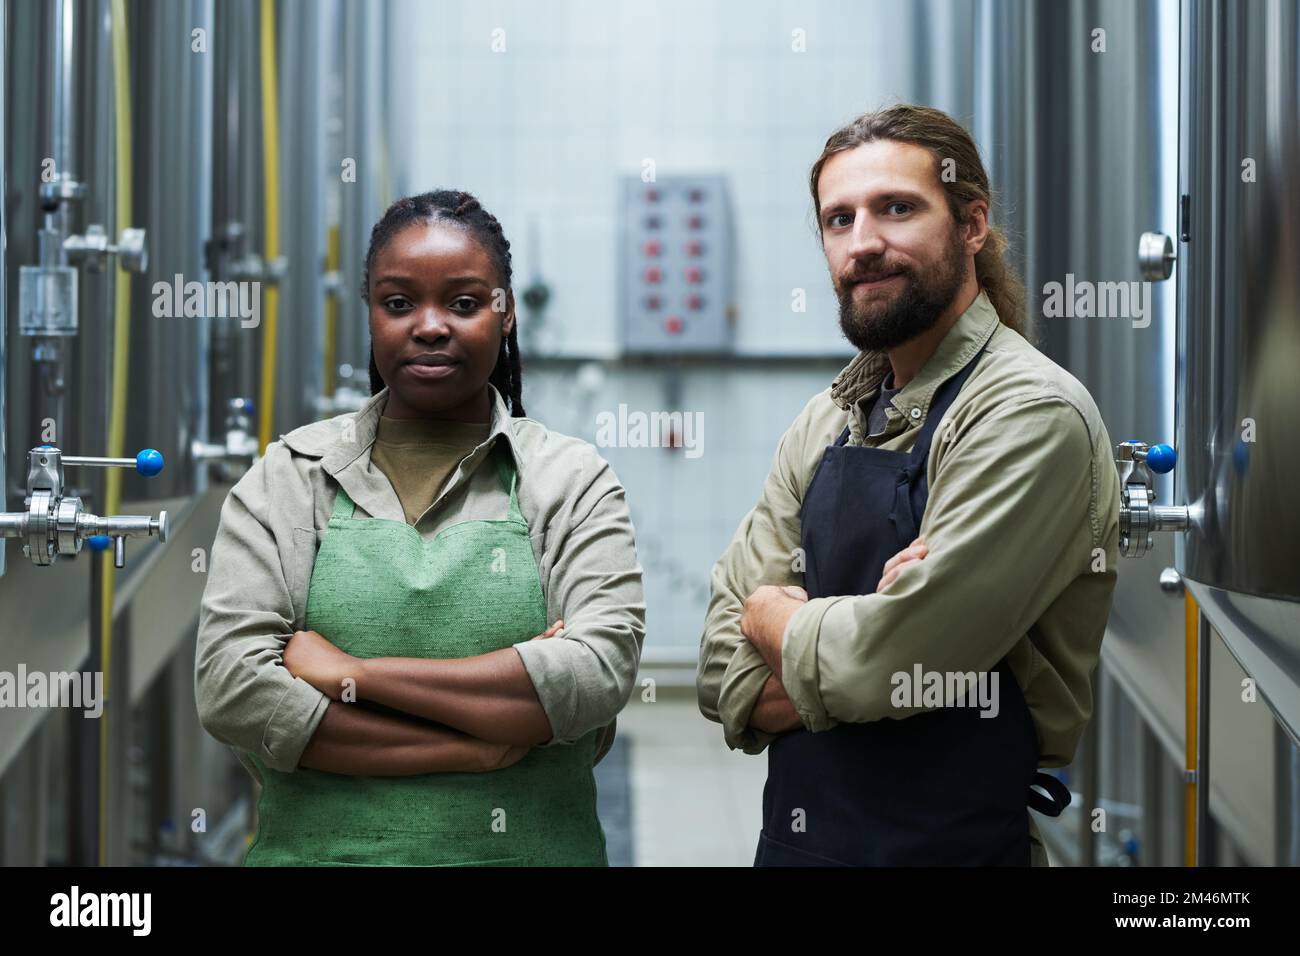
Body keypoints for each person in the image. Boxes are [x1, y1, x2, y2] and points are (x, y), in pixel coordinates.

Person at [696, 104, 1121, 866]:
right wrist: (863, 637)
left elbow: (883, 665)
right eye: (838, 219)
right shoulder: (828, 418)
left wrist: (772, 612)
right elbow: (719, 674)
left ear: (971, 225)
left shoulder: (1029, 415)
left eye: (897, 208)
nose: (863, 243)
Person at [196, 189, 645, 866]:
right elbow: (233, 687)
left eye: (463, 303)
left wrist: (352, 675)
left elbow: (596, 673)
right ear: (371, 313)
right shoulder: (291, 477)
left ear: (506, 312)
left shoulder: (569, 479)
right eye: (399, 303)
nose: (429, 326)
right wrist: (479, 741)